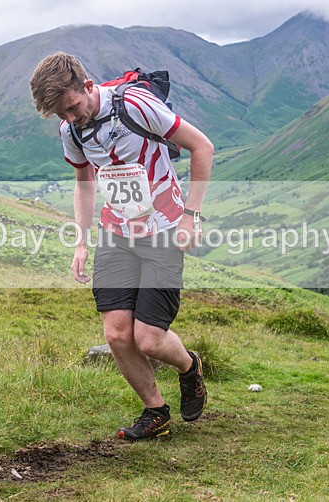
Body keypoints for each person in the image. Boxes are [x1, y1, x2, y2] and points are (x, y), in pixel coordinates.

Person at [29, 52, 214, 440]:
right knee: (116, 334)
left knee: (149, 337)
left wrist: (191, 215)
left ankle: (188, 366)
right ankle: (156, 412)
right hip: (115, 234)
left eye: (73, 107)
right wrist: (81, 242)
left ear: (88, 86)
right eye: (62, 114)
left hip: (163, 228)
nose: (70, 118)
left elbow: (202, 147)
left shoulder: (136, 106)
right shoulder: (71, 129)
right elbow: (85, 183)